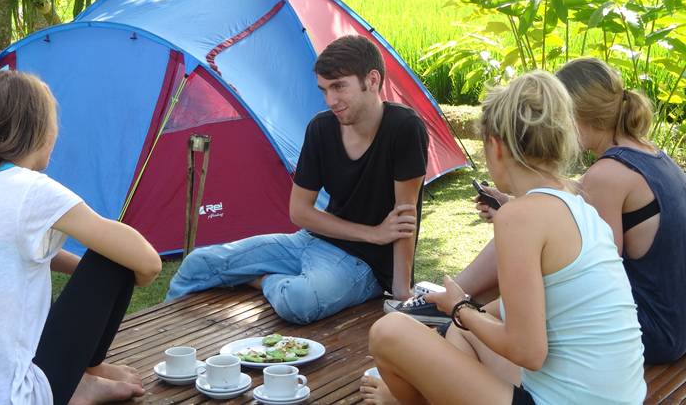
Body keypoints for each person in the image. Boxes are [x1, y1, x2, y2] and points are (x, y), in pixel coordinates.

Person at [368, 70, 647, 404]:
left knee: (389, 332)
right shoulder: (580, 206)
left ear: (495, 146)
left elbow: (528, 352)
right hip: (618, 397)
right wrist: (467, 314)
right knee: (462, 334)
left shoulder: (519, 216)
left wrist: (460, 307)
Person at [0, 70, 162, 405]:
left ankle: (78, 378)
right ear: (43, 133)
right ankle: (81, 380)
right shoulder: (31, 191)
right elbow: (148, 261)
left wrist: (78, 271)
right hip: (10, 398)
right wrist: (129, 275)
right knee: (114, 257)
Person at [166, 35, 429, 324]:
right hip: (308, 242)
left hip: (363, 265)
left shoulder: (404, 128)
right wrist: (372, 232)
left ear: (373, 80)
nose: (331, 100)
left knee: (299, 300)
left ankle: (265, 279)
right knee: (197, 264)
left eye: (339, 87)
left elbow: (405, 218)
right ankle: (164, 347)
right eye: (324, 90)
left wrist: (402, 294)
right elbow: (299, 212)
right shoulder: (321, 128)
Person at [445, 58, 686, 365]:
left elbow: (593, 273)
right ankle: (459, 302)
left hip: (651, 331)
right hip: (674, 322)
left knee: (521, 245)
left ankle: (453, 302)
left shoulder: (607, 175)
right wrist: (511, 205)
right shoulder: (648, 154)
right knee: (519, 227)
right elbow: (571, 207)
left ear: (574, 115)